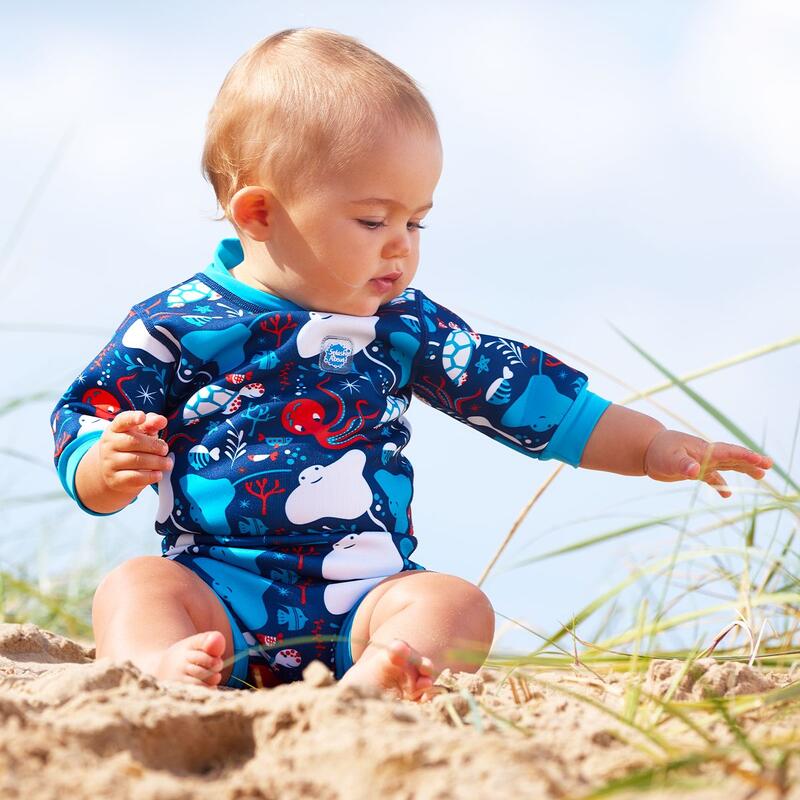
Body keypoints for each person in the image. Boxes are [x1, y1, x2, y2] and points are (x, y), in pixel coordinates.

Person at [50, 28, 772, 700]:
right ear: (260, 215)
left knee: (454, 603)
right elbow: (87, 410)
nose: (401, 245)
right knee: (135, 586)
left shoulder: (400, 325)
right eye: (373, 220)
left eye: (415, 220)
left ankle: (379, 680)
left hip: (365, 599)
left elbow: (517, 391)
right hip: (215, 593)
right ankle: (156, 671)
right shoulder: (180, 323)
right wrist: (101, 465)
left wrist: (648, 446)